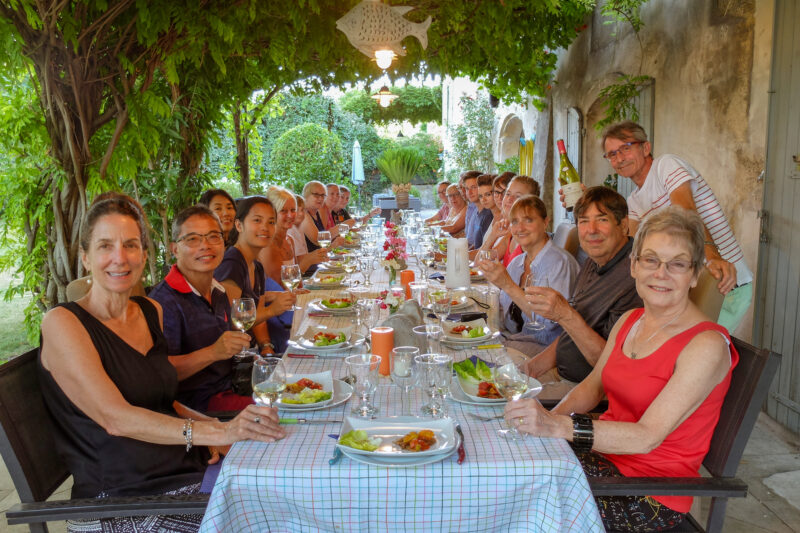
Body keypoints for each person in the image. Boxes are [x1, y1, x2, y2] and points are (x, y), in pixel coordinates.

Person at [38, 197, 285, 532]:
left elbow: (164, 400)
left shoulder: (148, 312)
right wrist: (216, 430)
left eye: (130, 245)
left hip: (180, 474)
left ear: (144, 254)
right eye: (105, 246)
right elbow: (115, 418)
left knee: (285, 499)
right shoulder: (63, 322)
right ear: (85, 257)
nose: (120, 258)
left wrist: (218, 432)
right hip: (121, 502)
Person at [505, 206, 738, 532]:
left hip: (648, 494)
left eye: (678, 264)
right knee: (506, 473)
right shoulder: (631, 321)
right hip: (604, 461)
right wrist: (547, 423)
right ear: (634, 266)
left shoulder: (706, 345)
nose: (661, 273)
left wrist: (559, 428)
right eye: (651, 260)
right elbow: (591, 388)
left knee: (518, 498)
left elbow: (646, 438)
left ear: (695, 274)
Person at [601, 121, 752, 333]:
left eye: (626, 148)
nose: (619, 158)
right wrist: (589, 203)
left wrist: (712, 255)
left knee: (705, 355)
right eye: (612, 154)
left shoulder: (666, 165)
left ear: (646, 148)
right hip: (688, 287)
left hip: (723, 279)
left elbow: (686, 212)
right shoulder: (634, 200)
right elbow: (631, 246)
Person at [521, 187, 643, 399]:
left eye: (602, 219)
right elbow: (572, 333)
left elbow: (611, 367)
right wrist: (532, 368)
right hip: (560, 375)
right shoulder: (593, 261)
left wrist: (564, 314)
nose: (591, 230)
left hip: (589, 394)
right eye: (584, 221)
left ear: (624, 225)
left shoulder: (636, 278)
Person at [149, 205, 252, 412]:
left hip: (236, 387)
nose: (205, 246)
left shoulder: (218, 290)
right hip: (198, 407)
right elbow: (160, 373)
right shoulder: (163, 302)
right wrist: (213, 352)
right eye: (193, 239)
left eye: (214, 236)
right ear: (174, 249)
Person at [479, 195, 579, 355]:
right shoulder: (517, 262)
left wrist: (507, 285)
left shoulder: (559, 263)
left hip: (547, 349)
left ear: (546, 222)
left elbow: (548, 327)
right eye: (515, 222)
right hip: (514, 338)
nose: (520, 228)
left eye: (528, 220)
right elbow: (502, 307)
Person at [214, 196, 295, 355]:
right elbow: (232, 321)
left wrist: (266, 346)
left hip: (253, 350)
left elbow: (259, 317)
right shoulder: (231, 264)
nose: (265, 227)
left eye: (271, 222)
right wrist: (272, 310)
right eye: (257, 220)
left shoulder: (256, 265)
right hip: (232, 357)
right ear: (239, 225)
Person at [500, 175, 541, 267]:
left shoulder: (529, 237)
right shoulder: (511, 234)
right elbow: (481, 260)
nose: (510, 199)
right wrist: (493, 235)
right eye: (508, 194)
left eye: (518, 196)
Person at [287, 193, 328, 274]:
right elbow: (299, 262)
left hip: (304, 272)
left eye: (303, 210)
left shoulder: (299, 228)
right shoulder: (290, 232)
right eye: (296, 210)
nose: (301, 214)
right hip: (304, 274)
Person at [468, 173, 501, 260]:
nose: (483, 199)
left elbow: (490, 254)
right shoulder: (494, 218)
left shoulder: (502, 220)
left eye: (487, 194)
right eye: (480, 196)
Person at [462, 171, 490, 249]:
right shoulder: (476, 212)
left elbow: (484, 249)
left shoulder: (489, 214)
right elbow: (475, 244)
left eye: (474, 187)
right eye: (467, 189)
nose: (469, 192)